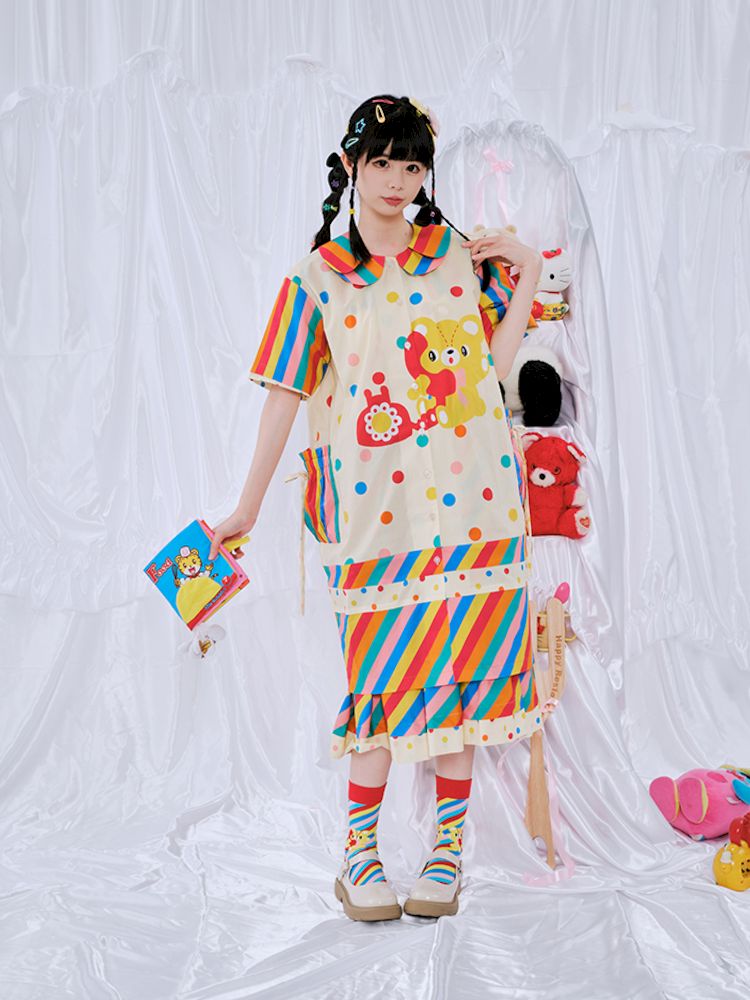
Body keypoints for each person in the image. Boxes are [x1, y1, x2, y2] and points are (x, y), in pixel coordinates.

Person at [209, 94, 544, 921]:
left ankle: (446, 854)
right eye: (383, 162)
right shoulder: (317, 278)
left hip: (477, 506)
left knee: (465, 684)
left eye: (413, 165)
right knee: (384, 684)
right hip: (374, 515)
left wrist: (529, 275)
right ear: (352, 166)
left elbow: (490, 370)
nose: (398, 180)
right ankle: (358, 854)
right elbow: (284, 396)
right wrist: (245, 507)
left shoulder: (456, 257)